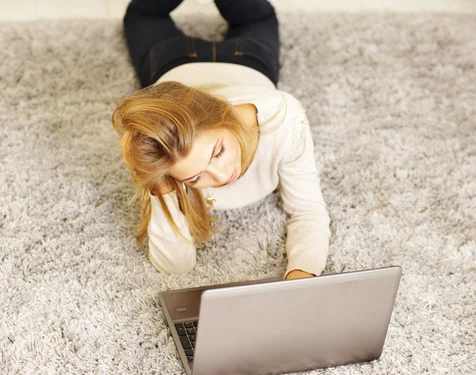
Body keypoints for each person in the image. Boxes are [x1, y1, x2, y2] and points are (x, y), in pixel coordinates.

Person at [111, 0, 330, 280]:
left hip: (247, 58)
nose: (223, 175)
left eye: (218, 152)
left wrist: (303, 273)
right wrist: (156, 182)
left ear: (223, 115)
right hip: (173, 59)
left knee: (258, 17)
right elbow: (175, 266)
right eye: (195, 178)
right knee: (141, 14)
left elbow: (308, 209)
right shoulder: (164, 155)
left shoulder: (284, 118)